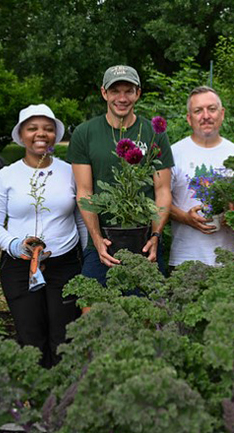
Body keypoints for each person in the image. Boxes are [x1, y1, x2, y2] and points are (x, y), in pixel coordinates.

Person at [0, 104, 86, 368]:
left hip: (64, 265)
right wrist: (14, 245)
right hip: (20, 268)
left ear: (55, 135)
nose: (41, 134)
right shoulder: (6, 176)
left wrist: (86, 255)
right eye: (33, 128)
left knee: (64, 337)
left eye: (48, 129)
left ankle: (64, 399)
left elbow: (81, 218)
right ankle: (38, 400)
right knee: (31, 336)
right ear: (21, 135)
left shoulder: (69, 171)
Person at [67, 65, 174, 286]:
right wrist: (96, 240)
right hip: (102, 243)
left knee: (148, 313)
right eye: (115, 91)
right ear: (104, 93)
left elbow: (162, 190)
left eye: (129, 90)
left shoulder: (154, 133)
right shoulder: (85, 133)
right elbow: (85, 191)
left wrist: (156, 236)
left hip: (144, 243)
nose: (122, 98)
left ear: (138, 93)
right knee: (92, 310)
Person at [169, 86, 234, 267]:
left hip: (232, 259)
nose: (206, 116)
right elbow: (159, 201)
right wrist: (185, 217)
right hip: (185, 259)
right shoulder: (173, 154)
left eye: (211, 109)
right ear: (189, 119)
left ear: (222, 114)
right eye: (198, 111)